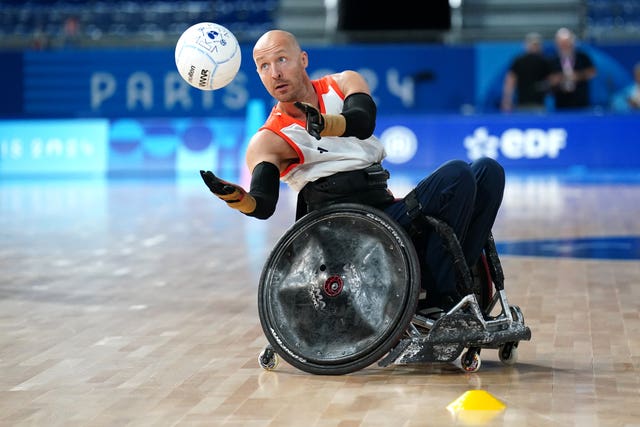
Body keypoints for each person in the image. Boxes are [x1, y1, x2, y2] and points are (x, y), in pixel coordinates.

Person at [200, 30, 505, 316]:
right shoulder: (269, 139)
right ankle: (442, 297)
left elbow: (362, 121)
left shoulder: (344, 82)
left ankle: (451, 285)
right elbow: (263, 203)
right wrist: (238, 198)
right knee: (456, 175)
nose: (275, 72)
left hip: (386, 210)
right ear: (259, 75)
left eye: (281, 59)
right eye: (264, 66)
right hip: (347, 230)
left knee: (488, 171)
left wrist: (325, 123)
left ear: (303, 60)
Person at [548, 27, 597, 110]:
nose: (564, 45)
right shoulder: (552, 60)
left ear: (572, 42)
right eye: (562, 43)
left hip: (580, 100)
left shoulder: (582, 57)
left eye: (566, 42)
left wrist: (577, 76)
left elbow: (592, 72)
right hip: (561, 102)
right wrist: (559, 78)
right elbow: (549, 79)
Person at [501, 32, 552, 112]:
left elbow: (551, 81)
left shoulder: (544, 62)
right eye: (533, 44)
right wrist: (507, 100)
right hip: (523, 104)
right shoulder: (519, 61)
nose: (535, 47)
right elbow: (510, 81)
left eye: (536, 44)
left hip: (538, 104)